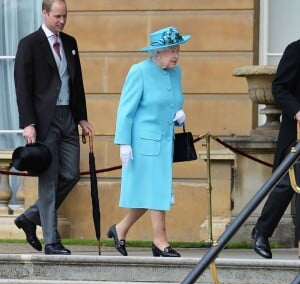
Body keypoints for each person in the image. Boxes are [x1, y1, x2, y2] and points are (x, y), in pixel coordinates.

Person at [13, 0, 94, 255]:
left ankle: (30, 217)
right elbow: (22, 87)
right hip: (44, 120)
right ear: (45, 13)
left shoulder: (70, 43)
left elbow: (76, 83)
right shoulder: (29, 44)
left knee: (71, 174)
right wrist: (28, 123)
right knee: (48, 181)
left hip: (68, 117)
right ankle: (51, 241)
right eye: (57, 16)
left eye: (65, 16)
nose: (62, 21)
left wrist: (82, 117)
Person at [107, 26, 191, 257]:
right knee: (157, 190)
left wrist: (179, 115)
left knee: (155, 191)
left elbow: (172, 102)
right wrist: (123, 142)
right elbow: (125, 110)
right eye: (171, 50)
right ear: (157, 52)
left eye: (177, 50)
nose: (176, 55)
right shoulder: (139, 71)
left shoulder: (176, 72)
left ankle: (120, 229)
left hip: (166, 141)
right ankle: (160, 240)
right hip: (142, 142)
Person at [252, 39, 300, 259]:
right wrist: (298, 111)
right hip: (297, 132)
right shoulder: (296, 49)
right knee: (286, 185)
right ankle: (261, 232)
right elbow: (279, 87)